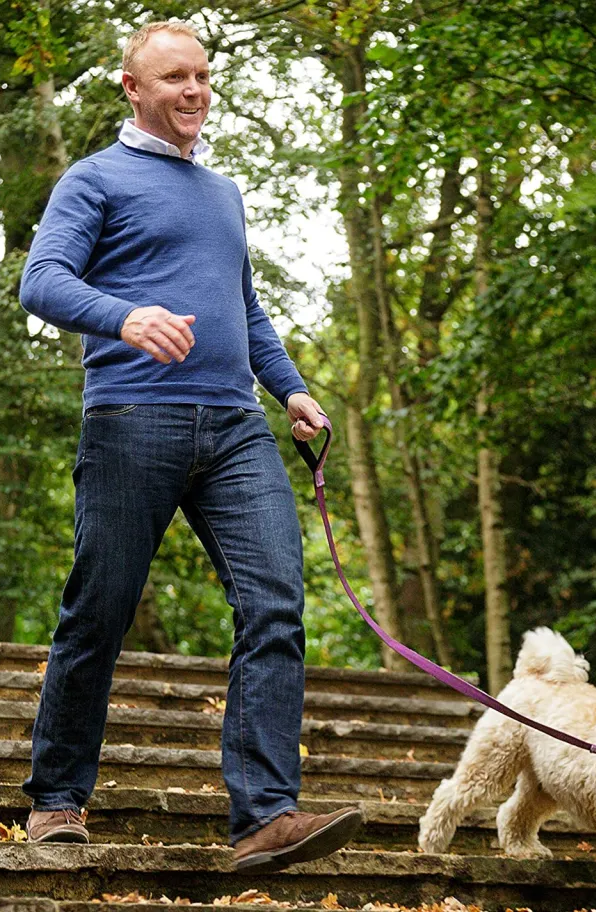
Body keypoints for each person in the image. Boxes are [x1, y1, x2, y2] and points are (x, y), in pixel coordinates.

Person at [18, 20, 361, 873]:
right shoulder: (95, 178)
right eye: (175, 77)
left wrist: (291, 388)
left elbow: (246, 308)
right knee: (99, 611)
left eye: (202, 75)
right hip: (132, 420)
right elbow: (42, 280)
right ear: (133, 88)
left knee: (275, 604)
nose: (195, 90)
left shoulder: (222, 192)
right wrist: (124, 317)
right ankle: (57, 798)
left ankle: (265, 817)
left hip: (237, 427)